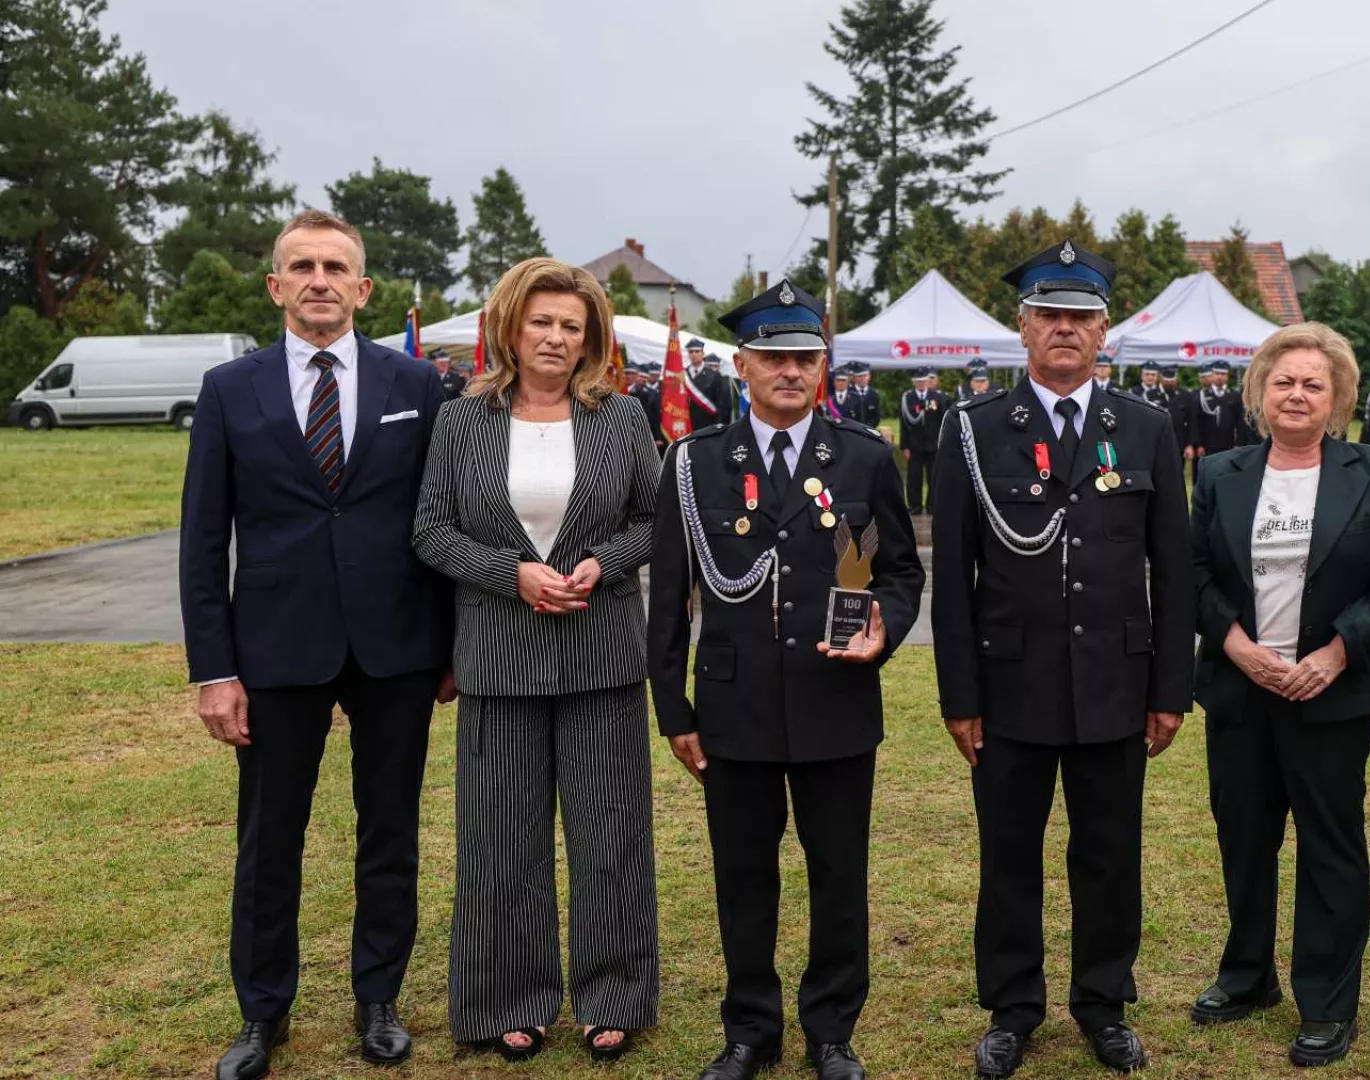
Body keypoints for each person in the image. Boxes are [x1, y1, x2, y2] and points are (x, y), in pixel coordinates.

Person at [180, 210, 454, 1080]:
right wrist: (215, 670)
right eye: (301, 266)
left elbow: (441, 517)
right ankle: (264, 1014)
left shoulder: (418, 382)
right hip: (275, 652)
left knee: (390, 832)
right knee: (269, 841)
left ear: (363, 288)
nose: (319, 280)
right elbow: (201, 541)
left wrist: (450, 644)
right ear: (276, 286)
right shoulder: (230, 389)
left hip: (396, 649)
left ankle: (378, 1000)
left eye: (336, 267)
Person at [649, 279, 924, 1080]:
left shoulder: (866, 459)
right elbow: (668, 598)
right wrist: (675, 709)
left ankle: (831, 1030)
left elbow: (900, 573)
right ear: (743, 365)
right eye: (773, 359)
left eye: (805, 358)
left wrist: (887, 627)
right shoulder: (695, 463)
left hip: (835, 700)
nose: (790, 373)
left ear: (824, 366)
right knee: (743, 876)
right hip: (732, 707)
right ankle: (749, 1030)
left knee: (839, 874)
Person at [932, 241, 1194, 1077]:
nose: (1065, 330)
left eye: (1081, 317)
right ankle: (1013, 1007)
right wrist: (959, 697)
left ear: (1105, 331)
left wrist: (1170, 690)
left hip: (1116, 683)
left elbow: (1174, 569)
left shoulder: (1147, 429)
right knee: (1009, 852)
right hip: (1009, 683)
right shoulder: (972, 432)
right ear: (1023, 328)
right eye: (1050, 315)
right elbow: (955, 580)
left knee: (1110, 851)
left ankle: (1103, 1002)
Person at [412, 257, 664, 1064]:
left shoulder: (622, 419)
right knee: (499, 838)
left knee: (611, 834)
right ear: (510, 328)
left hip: (603, 655)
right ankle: (506, 999)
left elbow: (657, 519)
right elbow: (430, 530)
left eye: (571, 326)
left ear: (590, 340)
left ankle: (614, 994)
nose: (555, 338)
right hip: (498, 656)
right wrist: (507, 574)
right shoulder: (460, 421)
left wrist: (606, 560)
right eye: (541, 322)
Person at [1188, 322, 1370, 1066]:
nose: (1296, 393)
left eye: (1313, 383)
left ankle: (1326, 999)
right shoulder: (1220, 472)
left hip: (1332, 692)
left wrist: (1335, 651)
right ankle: (1246, 975)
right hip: (1241, 687)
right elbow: (1193, 572)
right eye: (1283, 381)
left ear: (1339, 398)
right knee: (1244, 837)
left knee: (1331, 846)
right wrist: (1238, 648)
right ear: (1259, 392)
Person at [899, 366, 947, 514]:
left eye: (923, 381)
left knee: (933, 477)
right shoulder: (908, 397)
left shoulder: (937, 397)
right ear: (914, 382)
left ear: (928, 381)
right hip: (915, 445)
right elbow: (903, 423)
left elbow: (944, 421)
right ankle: (915, 506)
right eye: (918, 381)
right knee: (914, 478)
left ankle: (932, 505)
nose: (921, 384)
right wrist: (904, 446)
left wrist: (943, 443)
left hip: (934, 445)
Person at [1191, 360, 1245, 469]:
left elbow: (1240, 422)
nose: (1219, 377)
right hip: (1207, 445)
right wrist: (1199, 444)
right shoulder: (1202, 396)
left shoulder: (1235, 396)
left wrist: (1239, 444)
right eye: (1217, 374)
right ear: (1212, 375)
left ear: (1227, 376)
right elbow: (1196, 422)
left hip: (1228, 444)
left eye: (1223, 374)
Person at [688, 339, 736, 428]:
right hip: (686, 425)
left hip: (707, 425)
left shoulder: (714, 375)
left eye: (697, 351)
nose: (694, 354)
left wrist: (718, 426)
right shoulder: (683, 374)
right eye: (691, 352)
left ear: (703, 354)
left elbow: (721, 404)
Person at [847, 362, 883, 429]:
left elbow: (877, 416)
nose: (862, 379)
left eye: (865, 376)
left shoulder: (874, 394)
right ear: (854, 378)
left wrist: (868, 428)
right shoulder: (848, 393)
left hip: (869, 430)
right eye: (859, 376)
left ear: (869, 376)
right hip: (852, 429)